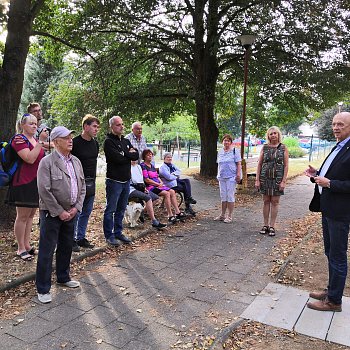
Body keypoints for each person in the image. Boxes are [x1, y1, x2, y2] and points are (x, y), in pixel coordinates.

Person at [305, 112, 350, 313]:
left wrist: (330, 183)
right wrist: (317, 175)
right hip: (328, 208)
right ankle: (332, 291)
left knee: (338, 255)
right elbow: (331, 173)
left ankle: (334, 302)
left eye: (340, 124)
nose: (335, 127)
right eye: (333, 124)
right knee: (330, 252)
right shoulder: (339, 145)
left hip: (340, 212)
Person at [36, 126, 86, 304]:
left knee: (66, 246)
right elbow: (44, 190)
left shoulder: (76, 162)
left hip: (71, 212)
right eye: (66, 137)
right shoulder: (47, 162)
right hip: (52, 213)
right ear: (56, 142)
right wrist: (60, 211)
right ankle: (43, 288)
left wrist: (75, 208)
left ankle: (63, 277)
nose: (70, 140)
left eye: (71, 136)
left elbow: (82, 187)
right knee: (47, 250)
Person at [5, 114, 45, 261]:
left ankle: (27, 245)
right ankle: (20, 248)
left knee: (30, 216)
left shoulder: (34, 140)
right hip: (22, 182)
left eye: (36, 124)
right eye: (31, 124)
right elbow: (29, 158)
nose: (35, 126)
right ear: (23, 125)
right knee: (22, 217)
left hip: (35, 182)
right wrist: (40, 142)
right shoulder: (18, 139)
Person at [103, 116, 139, 246]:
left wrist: (125, 154)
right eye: (118, 125)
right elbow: (117, 159)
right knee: (110, 209)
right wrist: (127, 155)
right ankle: (109, 235)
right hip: (114, 181)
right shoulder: (108, 142)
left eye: (122, 124)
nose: (121, 127)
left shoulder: (125, 141)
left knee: (121, 208)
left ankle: (118, 232)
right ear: (112, 127)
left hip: (126, 181)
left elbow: (136, 155)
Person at [71, 114, 100, 251]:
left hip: (91, 182)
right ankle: (71, 240)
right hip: (77, 183)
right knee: (75, 212)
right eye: (94, 126)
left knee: (86, 212)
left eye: (97, 127)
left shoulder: (95, 143)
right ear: (85, 126)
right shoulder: (74, 142)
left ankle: (80, 238)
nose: (96, 129)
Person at [255, 126, 288, 236]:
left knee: (275, 201)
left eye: (275, 133)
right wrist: (257, 179)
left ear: (278, 134)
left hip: (277, 178)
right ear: (268, 136)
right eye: (271, 133)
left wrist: (283, 181)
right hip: (265, 178)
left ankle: (272, 226)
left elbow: (286, 165)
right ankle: (265, 225)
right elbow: (259, 164)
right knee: (266, 201)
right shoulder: (264, 148)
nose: (273, 135)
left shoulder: (283, 148)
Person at [141, 149, 186, 224]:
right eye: (148, 155)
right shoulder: (143, 166)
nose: (150, 156)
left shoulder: (152, 165)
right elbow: (147, 180)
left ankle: (177, 212)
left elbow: (157, 176)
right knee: (166, 193)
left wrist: (161, 182)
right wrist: (158, 184)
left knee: (172, 191)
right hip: (150, 187)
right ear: (144, 156)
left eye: (151, 155)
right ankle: (170, 215)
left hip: (158, 185)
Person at [129, 160, 166, 228]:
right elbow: (134, 180)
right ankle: (154, 221)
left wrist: (144, 188)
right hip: (131, 189)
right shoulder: (127, 167)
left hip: (140, 187)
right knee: (148, 198)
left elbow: (141, 179)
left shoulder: (138, 167)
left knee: (155, 198)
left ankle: (141, 213)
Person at [214, 134, 242, 223]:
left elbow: (238, 164)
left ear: (231, 142)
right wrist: (218, 175)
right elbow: (219, 164)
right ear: (223, 142)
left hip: (231, 177)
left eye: (228, 140)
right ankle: (222, 215)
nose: (226, 142)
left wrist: (238, 175)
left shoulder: (235, 151)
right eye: (225, 140)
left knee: (230, 196)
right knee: (223, 196)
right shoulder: (220, 151)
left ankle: (229, 216)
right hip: (222, 177)